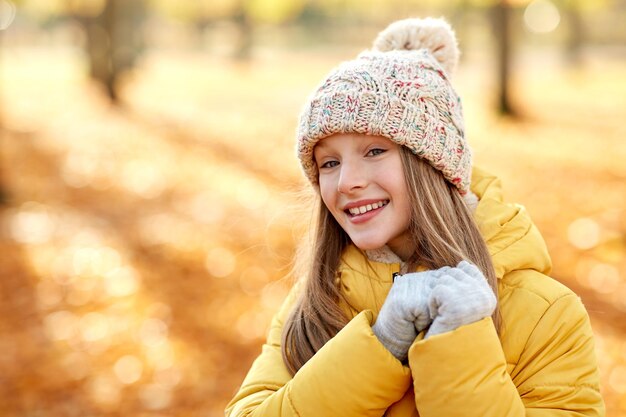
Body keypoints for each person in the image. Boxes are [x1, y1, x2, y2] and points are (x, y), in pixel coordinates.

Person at [225, 17, 604, 417]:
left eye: (375, 151)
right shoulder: (316, 301)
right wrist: (381, 344)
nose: (346, 183)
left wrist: (458, 340)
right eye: (329, 163)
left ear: (433, 165)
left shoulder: (547, 314)